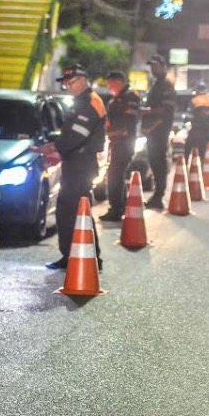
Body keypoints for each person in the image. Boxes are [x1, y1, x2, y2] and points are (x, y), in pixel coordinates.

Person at [47, 64, 105, 270]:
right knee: (71, 210)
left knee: (76, 210)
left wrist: (55, 147)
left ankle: (86, 256)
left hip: (82, 164)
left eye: (70, 83)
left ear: (82, 80)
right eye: (65, 84)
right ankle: (73, 254)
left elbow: (77, 134)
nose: (67, 87)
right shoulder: (82, 101)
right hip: (75, 163)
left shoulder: (90, 102)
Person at [98, 71, 141, 222]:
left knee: (114, 175)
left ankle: (116, 209)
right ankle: (119, 207)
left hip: (124, 142)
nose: (109, 87)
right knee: (116, 175)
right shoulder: (116, 99)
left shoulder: (130, 97)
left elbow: (128, 122)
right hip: (116, 142)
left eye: (110, 84)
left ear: (118, 82)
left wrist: (113, 131)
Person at [141, 55, 176, 209]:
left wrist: (147, 113)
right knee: (154, 163)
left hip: (158, 131)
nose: (153, 69)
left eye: (156, 66)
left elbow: (166, 111)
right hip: (152, 132)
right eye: (151, 66)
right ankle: (157, 196)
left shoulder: (166, 86)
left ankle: (158, 196)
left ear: (163, 67)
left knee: (158, 164)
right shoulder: (157, 84)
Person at [185, 81, 209, 159]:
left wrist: (186, 122)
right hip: (208, 132)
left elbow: (189, 117)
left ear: (196, 90)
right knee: (206, 153)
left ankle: (187, 166)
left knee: (187, 149)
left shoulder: (194, 101)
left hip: (196, 131)